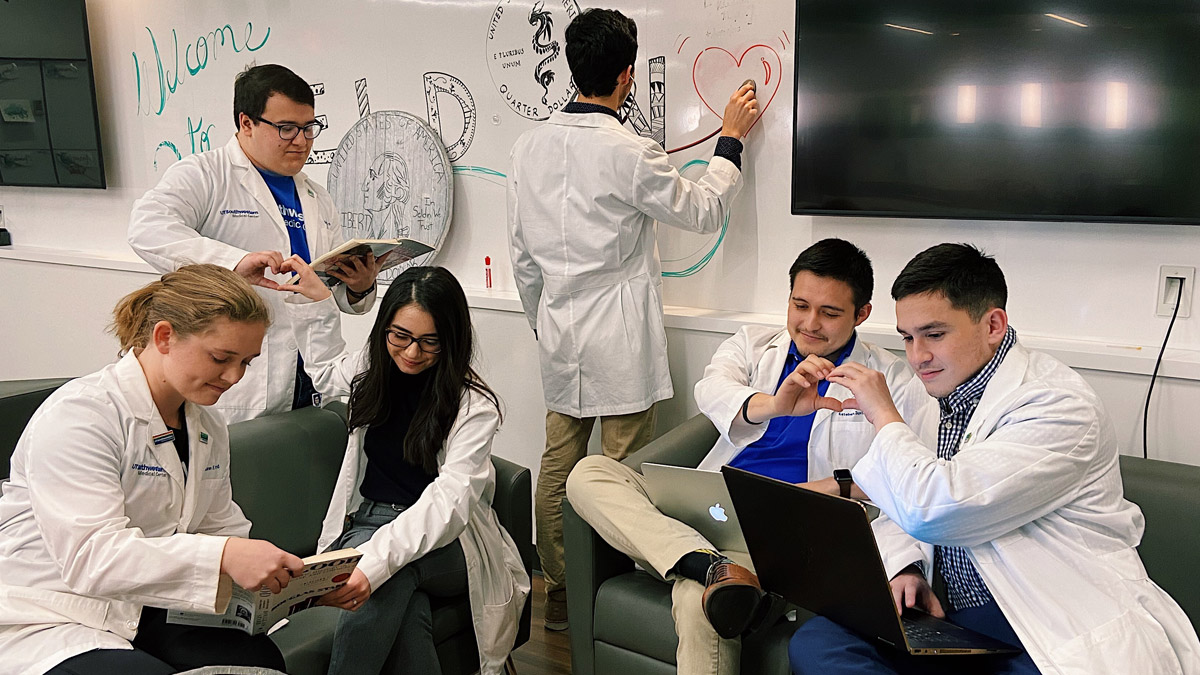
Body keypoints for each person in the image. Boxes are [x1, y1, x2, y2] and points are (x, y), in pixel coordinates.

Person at [790, 243, 1200, 674]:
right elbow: (900, 501)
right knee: (820, 645)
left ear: (993, 325)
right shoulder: (936, 389)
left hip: (1044, 618)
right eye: (907, 338)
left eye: (934, 334)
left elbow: (935, 508)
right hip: (952, 612)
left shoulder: (1059, 405)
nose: (917, 356)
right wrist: (906, 566)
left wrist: (883, 414)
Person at [565, 239, 936, 675]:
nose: (810, 323)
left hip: (784, 528)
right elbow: (713, 390)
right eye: (800, 305)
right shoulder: (753, 346)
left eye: (830, 313)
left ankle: (708, 572)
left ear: (862, 314)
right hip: (710, 509)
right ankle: (708, 564)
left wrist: (832, 487)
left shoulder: (890, 379)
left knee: (697, 602)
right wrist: (777, 404)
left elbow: (909, 473)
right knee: (587, 473)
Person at [507, 7, 760, 629]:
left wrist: (544, 324)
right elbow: (701, 210)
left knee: (559, 463)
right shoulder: (629, 149)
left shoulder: (527, 145)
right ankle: (612, 590)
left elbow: (520, 253)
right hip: (617, 329)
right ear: (626, 76)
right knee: (622, 470)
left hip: (559, 326)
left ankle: (562, 595)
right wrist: (730, 139)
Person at [0, 264, 305, 675]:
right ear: (164, 337)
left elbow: (218, 525)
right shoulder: (82, 416)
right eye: (221, 358)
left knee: (258, 662)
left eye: (246, 363)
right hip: (49, 611)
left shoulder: (204, 421)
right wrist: (224, 556)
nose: (234, 377)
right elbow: (94, 558)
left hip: (145, 606)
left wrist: (294, 584)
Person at [283, 259, 530, 675]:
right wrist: (319, 304)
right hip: (368, 519)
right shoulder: (373, 368)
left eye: (430, 342)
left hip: (450, 542)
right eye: (400, 336)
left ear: (452, 340)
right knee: (402, 603)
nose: (412, 352)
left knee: (388, 575)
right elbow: (326, 375)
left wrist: (376, 562)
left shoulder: (474, 406)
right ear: (385, 329)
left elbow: (448, 504)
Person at [129, 63, 382, 424]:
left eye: (309, 128)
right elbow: (147, 228)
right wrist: (234, 263)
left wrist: (359, 287)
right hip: (233, 378)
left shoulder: (317, 197)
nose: (302, 140)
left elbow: (330, 291)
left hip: (307, 371)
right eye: (286, 128)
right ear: (246, 123)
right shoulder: (204, 174)